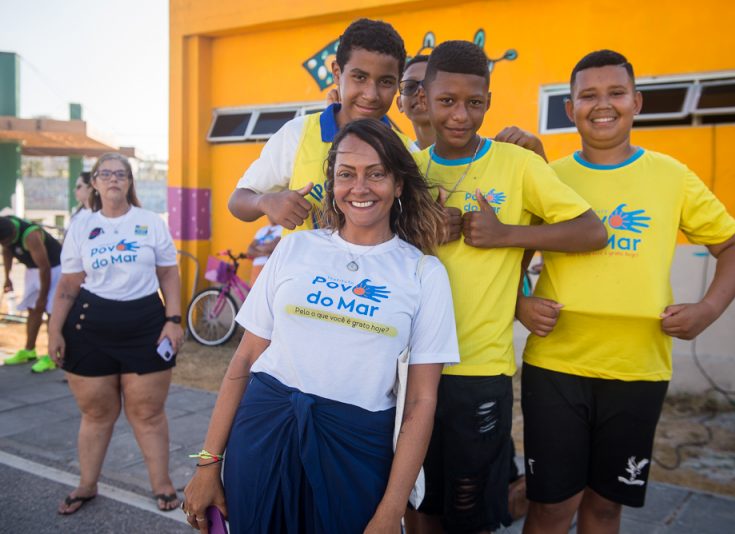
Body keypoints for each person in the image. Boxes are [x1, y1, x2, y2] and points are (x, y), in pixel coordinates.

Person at [517, 50, 735, 534]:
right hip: (557, 366)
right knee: (551, 507)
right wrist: (519, 302)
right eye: (588, 95)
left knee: (605, 508)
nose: (602, 105)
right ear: (571, 108)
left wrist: (708, 308)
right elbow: (508, 257)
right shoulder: (549, 177)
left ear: (637, 102)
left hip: (639, 369)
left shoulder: (672, 176)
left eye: (616, 93)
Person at [182, 119, 459, 533]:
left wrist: (390, 510)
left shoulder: (423, 273)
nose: (359, 187)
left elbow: (420, 402)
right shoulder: (295, 247)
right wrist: (207, 464)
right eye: (346, 174)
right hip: (263, 432)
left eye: (376, 173)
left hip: (357, 448)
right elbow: (246, 357)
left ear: (398, 184)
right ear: (332, 183)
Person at [406, 41, 607, 534]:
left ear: (489, 102)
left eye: (474, 102)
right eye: (447, 101)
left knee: (471, 509)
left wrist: (505, 235)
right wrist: (417, 227)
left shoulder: (516, 165)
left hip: (480, 369)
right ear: (424, 100)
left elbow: (591, 230)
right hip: (409, 368)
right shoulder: (408, 171)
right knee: (420, 503)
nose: (460, 114)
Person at [47, 152, 184, 515]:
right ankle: (86, 485)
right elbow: (68, 285)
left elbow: (169, 273)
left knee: (148, 412)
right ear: (94, 183)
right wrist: (53, 331)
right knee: (95, 412)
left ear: (129, 182)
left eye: (120, 174)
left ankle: (162, 484)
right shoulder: (81, 225)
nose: (113, 179)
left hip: (146, 325)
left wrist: (174, 319)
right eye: (105, 174)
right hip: (89, 326)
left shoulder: (150, 222)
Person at [228, 18, 412, 231]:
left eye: (386, 82)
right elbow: (238, 201)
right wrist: (266, 202)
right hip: (304, 265)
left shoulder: (405, 150)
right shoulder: (298, 134)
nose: (371, 95)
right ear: (336, 72)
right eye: (360, 77)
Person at [397, 53, 548, 161]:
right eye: (410, 86)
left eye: (429, 83)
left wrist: (537, 152)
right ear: (399, 103)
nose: (420, 91)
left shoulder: (496, 153)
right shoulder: (396, 161)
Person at [1, 216, 63, 373]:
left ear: (13, 234)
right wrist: (8, 277)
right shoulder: (4, 227)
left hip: (55, 270)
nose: (5, 245)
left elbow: (45, 267)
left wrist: (42, 297)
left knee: (52, 312)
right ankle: (29, 351)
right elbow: (7, 251)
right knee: (32, 310)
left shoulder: (31, 235)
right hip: (32, 270)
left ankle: (52, 357)